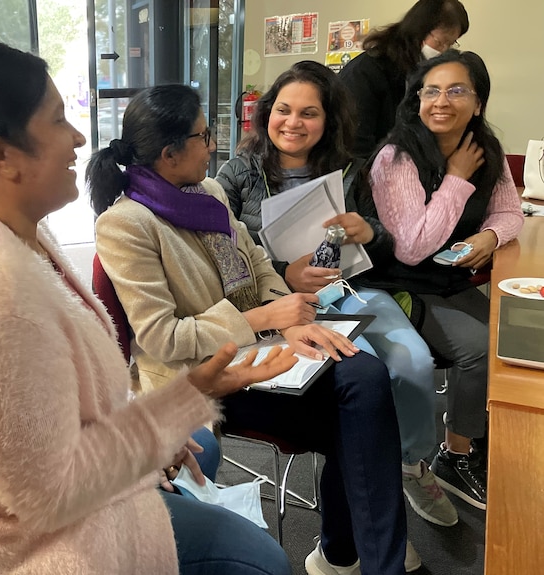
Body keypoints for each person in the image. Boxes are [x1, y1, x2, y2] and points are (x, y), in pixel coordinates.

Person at [0, 40, 297, 575]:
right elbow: (50, 494)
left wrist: (153, 428)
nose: (79, 137)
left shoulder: (19, 235)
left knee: (201, 453)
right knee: (261, 562)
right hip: (29, 546)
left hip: (50, 488)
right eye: (58, 121)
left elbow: (68, 396)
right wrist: (189, 398)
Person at [90, 84, 408, 575]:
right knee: (361, 418)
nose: (213, 144)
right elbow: (161, 338)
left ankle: (353, 558)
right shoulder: (126, 224)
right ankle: (345, 556)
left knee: (364, 375)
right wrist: (261, 320)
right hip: (206, 377)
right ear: (170, 153)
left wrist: (292, 321)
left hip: (263, 353)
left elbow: (258, 266)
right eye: (202, 136)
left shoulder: (209, 191)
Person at [216, 61, 458, 530]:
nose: (293, 122)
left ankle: (406, 466)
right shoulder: (239, 171)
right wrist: (285, 272)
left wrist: (370, 230)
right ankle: (365, 496)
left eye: (309, 113)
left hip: (349, 290)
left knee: (414, 362)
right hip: (279, 303)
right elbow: (220, 249)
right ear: (266, 113)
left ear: (328, 120)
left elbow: (391, 238)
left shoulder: (354, 169)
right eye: (283, 110)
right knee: (363, 379)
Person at [361, 49, 523, 511]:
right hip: (394, 283)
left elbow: (509, 212)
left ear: (479, 102)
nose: (441, 101)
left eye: (457, 90)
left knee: (511, 337)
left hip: (445, 280)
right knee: (481, 349)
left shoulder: (483, 148)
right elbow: (411, 246)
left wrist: (491, 234)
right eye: (430, 90)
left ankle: (466, 436)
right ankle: (456, 454)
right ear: (416, 99)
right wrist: (454, 180)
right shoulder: (396, 157)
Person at [339, 0, 469, 159]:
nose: (443, 51)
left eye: (450, 44)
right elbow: (355, 146)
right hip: (372, 170)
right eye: (440, 42)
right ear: (419, 30)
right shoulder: (366, 72)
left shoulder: (421, 72)